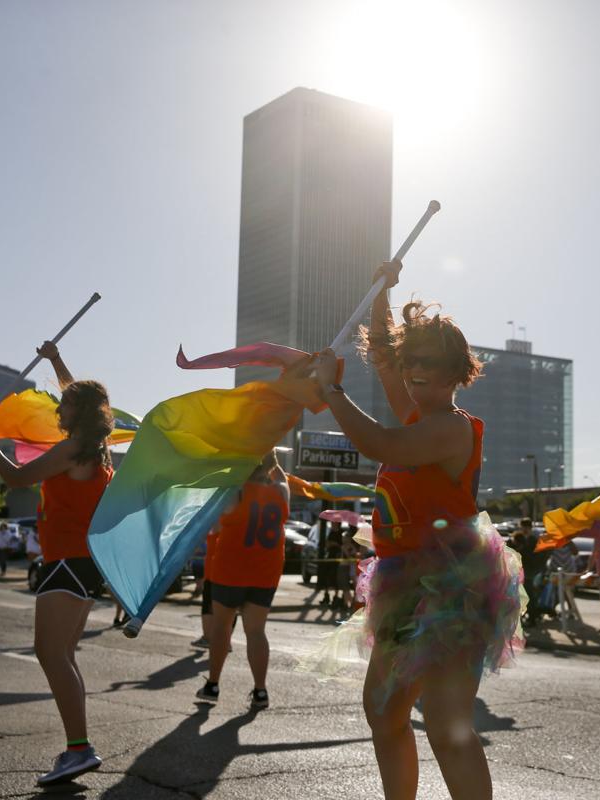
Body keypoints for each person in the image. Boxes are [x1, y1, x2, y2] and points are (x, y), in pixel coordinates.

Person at [311, 259, 523, 800]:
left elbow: (381, 445)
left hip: (454, 586)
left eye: (427, 363)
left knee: (450, 727)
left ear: (456, 372)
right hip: (402, 582)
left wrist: (332, 393)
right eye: (412, 363)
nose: (413, 371)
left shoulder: (451, 429)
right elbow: (384, 356)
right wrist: (383, 292)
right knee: (384, 711)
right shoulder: (415, 411)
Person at [0, 341, 112, 787]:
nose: (59, 408)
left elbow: (15, 476)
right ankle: (78, 747)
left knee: (51, 652)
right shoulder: (95, 450)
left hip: (68, 561)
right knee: (62, 654)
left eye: (66, 405)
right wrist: (56, 362)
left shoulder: (73, 449)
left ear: (82, 413)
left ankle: (79, 749)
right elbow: (79, 392)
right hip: (77, 562)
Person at [196, 450, 288, 709]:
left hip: (230, 569)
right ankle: (260, 691)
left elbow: (215, 520)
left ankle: (213, 685)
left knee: (221, 628)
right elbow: (281, 477)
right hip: (265, 571)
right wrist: (272, 458)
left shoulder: (233, 492)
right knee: (256, 632)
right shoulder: (281, 492)